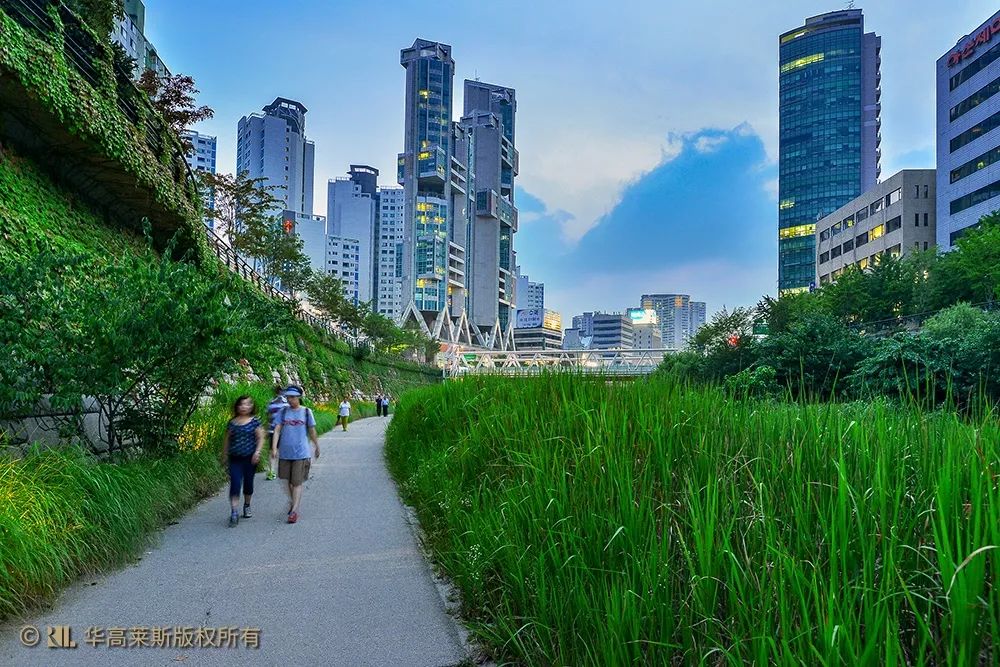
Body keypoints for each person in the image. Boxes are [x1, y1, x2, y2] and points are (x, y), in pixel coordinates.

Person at [272, 385, 319, 524]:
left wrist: (317, 446)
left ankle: (294, 511)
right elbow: (277, 430)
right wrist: (274, 447)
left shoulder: (306, 412)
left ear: (299, 397)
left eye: (293, 397)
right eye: (288, 397)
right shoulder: (283, 412)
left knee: (297, 482)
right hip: (285, 452)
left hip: (301, 453)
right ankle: (293, 502)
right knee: (286, 481)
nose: (290, 400)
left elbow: (312, 430)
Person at [220, 395, 264, 527]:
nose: (244, 407)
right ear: (237, 406)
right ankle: (234, 511)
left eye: (247, 404)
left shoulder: (255, 421)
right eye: (241, 404)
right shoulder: (232, 422)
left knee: (248, 484)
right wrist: (224, 454)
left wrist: (257, 452)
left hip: (250, 459)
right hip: (235, 459)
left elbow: (260, 438)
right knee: (235, 482)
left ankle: (247, 505)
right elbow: (227, 439)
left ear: (251, 407)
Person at [264, 384, 288, 480]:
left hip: (272, 430)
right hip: (285, 431)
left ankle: (272, 471)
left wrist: (267, 428)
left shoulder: (271, 403)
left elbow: (268, 417)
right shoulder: (287, 404)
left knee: (272, 450)